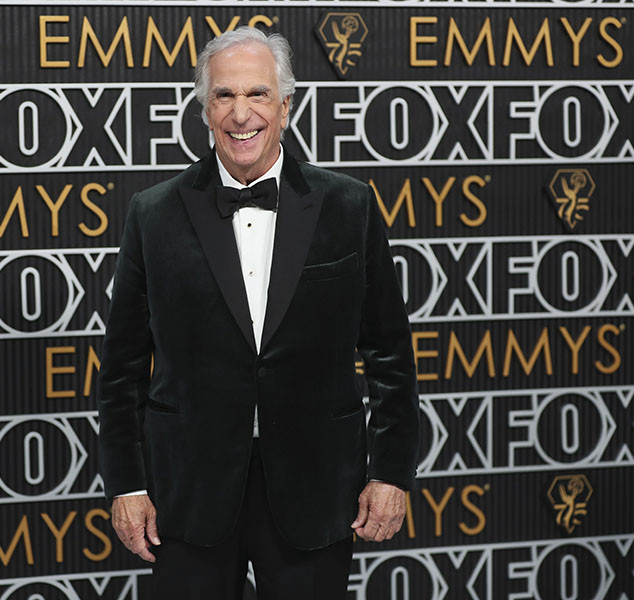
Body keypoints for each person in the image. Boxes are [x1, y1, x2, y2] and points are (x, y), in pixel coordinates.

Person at [98, 27, 419, 599]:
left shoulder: (350, 206)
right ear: (203, 109)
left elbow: (391, 355)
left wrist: (390, 472)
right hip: (188, 496)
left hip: (315, 490)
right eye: (223, 96)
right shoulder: (153, 213)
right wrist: (126, 484)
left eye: (258, 95)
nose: (240, 113)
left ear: (286, 107)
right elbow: (121, 369)